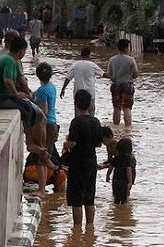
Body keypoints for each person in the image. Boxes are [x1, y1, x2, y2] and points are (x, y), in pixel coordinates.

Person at [0, 36, 54, 192]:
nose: (25, 53)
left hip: (1, 96)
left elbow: (20, 78)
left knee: (35, 113)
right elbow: (8, 81)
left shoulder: (8, 58)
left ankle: (38, 147)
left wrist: (27, 92)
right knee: (30, 111)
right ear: (21, 50)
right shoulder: (10, 60)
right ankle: (35, 146)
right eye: (24, 50)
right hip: (2, 98)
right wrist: (17, 94)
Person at [63, 90, 103, 228]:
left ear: (76, 104)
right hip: (92, 162)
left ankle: (77, 229)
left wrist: (65, 144)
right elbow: (99, 143)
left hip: (78, 163)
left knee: (77, 199)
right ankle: (90, 227)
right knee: (89, 198)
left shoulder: (76, 122)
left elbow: (72, 143)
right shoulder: (96, 121)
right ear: (90, 104)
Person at [60, 47, 105, 116]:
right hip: (90, 95)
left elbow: (68, 78)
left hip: (78, 95)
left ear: (81, 55)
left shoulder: (75, 64)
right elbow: (103, 74)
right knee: (91, 115)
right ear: (89, 55)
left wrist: (63, 89)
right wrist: (113, 78)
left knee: (78, 116)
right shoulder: (92, 65)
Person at [107, 39, 140, 126]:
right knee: (127, 107)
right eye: (128, 47)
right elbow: (136, 73)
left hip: (115, 84)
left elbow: (109, 74)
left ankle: (116, 128)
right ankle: (128, 129)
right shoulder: (131, 59)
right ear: (126, 48)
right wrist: (130, 77)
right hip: (128, 84)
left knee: (116, 107)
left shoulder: (112, 60)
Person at [34, 62, 59, 158]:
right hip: (53, 123)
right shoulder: (51, 86)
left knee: (44, 156)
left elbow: (44, 111)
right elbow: (36, 93)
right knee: (50, 153)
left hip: (46, 125)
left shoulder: (42, 90)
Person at [106, 138, 136, 205]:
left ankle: (116, 212)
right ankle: (122, 212)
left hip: (115, 182)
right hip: (124, 183)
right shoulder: (128, 160)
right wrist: (130, 182)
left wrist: (107, 176)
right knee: (124, 201)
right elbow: (129, 171)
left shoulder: (115, 158)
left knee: (116, 199)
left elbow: (110, 168)